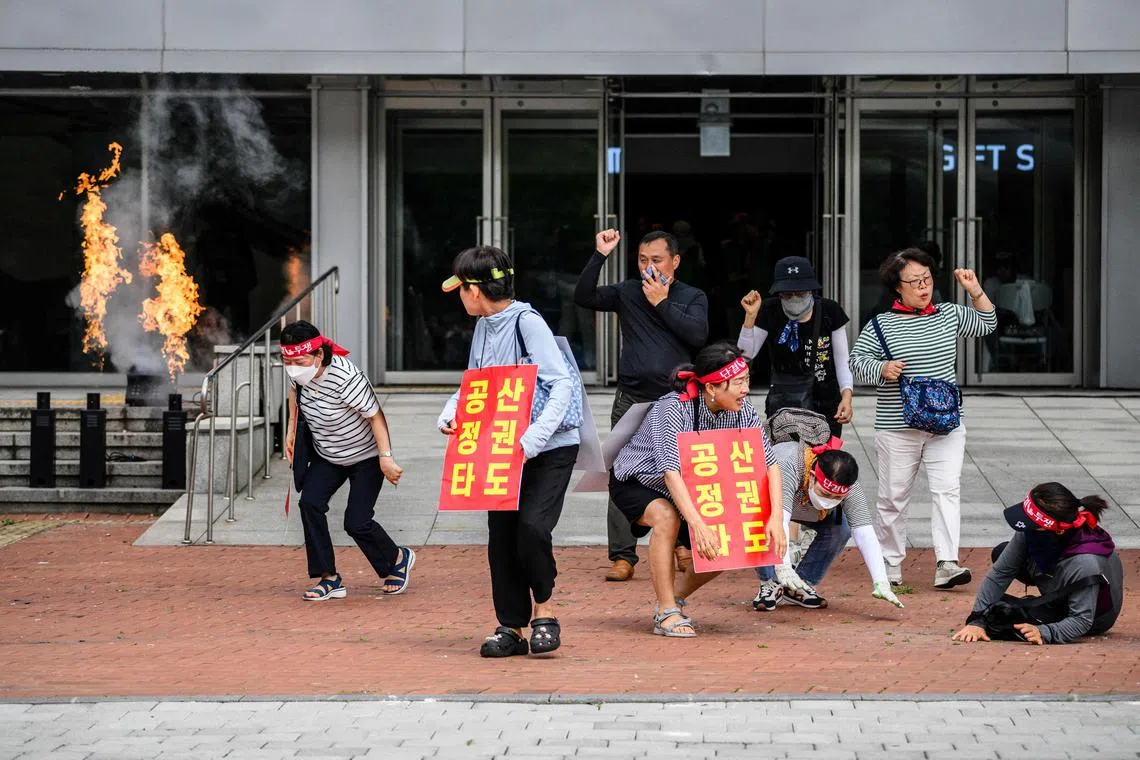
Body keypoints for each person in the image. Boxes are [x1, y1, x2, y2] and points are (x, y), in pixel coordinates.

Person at [437, 246, 582, 658]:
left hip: (549, 447)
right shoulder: (484, 325)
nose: (459, 298)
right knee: (500, 540)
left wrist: (533, 439)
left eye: (461, 289)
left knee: (532, 529)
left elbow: (562, 385)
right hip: (500, 450)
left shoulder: (527, 322)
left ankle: (546, 614)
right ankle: (512, 627)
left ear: (476, 291)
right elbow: (476, 383)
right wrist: (450, 412)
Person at [609, 342, 786, 637]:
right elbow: (670, 472)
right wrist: (698, 523)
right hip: (639, 480)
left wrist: (775, 517)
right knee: (667, 518)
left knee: (726, 544)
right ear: (712, 388)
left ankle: (672, 601)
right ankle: (666, 614)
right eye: (739, 382)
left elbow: (769, 463)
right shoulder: (673, 407)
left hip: (697, 485)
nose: (746, 390)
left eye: (747, 381)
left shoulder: (742, 409)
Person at [849, 247, 996, 589]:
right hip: (897, 426)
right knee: (893, 497)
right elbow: (857, 362)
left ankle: (947, 563)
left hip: (946, 423)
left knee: (947, 491)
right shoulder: (881, 324)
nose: (922, 286)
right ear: (896, 287)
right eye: (914, 281)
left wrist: (974, 289)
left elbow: (987, 324)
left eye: (927, 278)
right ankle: (890, 563)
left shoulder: (948, 314)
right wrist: (882, 368)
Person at [575, 228, 709, 582]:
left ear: (675, 261)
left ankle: (683, 543)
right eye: (642, 260)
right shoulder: (628, 291)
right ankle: (622, 556)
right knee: (620, 472)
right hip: (632, 398)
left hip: (677, 402)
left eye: (657, 260)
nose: (649, 267)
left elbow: (698, 336)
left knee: (683, 472)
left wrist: (662, 302)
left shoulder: (692, 296)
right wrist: (600, 254)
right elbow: (583, 296)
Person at [281, 320, 410, 601]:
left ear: (319, 355)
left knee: (357, 521)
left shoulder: (345, 377)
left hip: (365, 456)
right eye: (287, 361)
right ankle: (329, 577)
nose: (293, 367)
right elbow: (294, 393)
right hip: (328, 454)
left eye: (299, 361)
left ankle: (397, 558)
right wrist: (291, 430)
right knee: (310, 504)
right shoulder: (300, 374)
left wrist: (386, 458)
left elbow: (375, 415)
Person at [954, 483, 1123, 645]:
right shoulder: (1034, 531)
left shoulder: (1084, 562)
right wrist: (976, 620)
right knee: (1002, 552)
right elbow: (1000, 573)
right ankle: (1040, 605)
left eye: (1032, 524)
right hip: (1062, 584)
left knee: (999, 618)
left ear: (1057, 529)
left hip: (1093, 618)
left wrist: (1045, 632)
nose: (1025, 527)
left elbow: (1081, 620)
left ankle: (1042, 610)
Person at [751, 438, 903, 612]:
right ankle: (770, 582)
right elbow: (780, 521)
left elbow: (864, 532)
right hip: (774, 505)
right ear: (813, 476)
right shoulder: (788, 465)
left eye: (837, 498)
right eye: (824, 493)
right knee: (760, 521)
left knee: (841, 529)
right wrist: (783, 565)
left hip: (810, 510)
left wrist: (881, 580)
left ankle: (800, 584)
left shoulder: (850, 487)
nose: (828, 502)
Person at [738, 256, 854, 439]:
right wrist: (750, 317)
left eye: (800, 293)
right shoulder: (770, 310)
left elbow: (842, 361)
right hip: (784, 403)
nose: (794, 298)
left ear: (811, 290)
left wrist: (846, 397)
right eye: (787, 294)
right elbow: (744, 356)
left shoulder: (829, 311)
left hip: (826, 403)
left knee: (825, 463)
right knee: (786, 461)